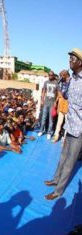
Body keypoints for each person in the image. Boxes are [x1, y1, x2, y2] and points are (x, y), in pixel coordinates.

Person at [44, 48, 82, 200]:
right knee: (63, 156)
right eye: (69, 59)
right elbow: (67, 96)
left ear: (80, 62)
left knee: (70, 162)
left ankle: (58, 191)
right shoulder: (73, 79)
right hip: (70, 125)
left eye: (72, 59)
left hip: (79, 129)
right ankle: (55, 179)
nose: (70, 62)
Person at [38, 71, 59, 140]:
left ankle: (49, 133)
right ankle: (41, 130)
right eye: (49, 75)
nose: (50, 76)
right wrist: (42, 99)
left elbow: (58, 94)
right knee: (43, 118)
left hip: (52, 104)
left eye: (51, 75)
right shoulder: (46, 82)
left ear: (53, 75)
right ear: (48, 75)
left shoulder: (56, 83)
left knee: (51, 119)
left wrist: (56, 102)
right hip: (46, 103)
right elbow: (43, 91)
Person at [52, 70, 70, 143]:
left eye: (62, 76)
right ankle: (56, 136)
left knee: (67, 123)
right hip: (61, 104)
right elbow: (59, 93)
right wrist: (56, 102)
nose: (60, 77)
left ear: (65, 75)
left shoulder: (71, 82)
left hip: (68, 105)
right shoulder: (61, 82)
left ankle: (65, 139)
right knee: (59, 122)